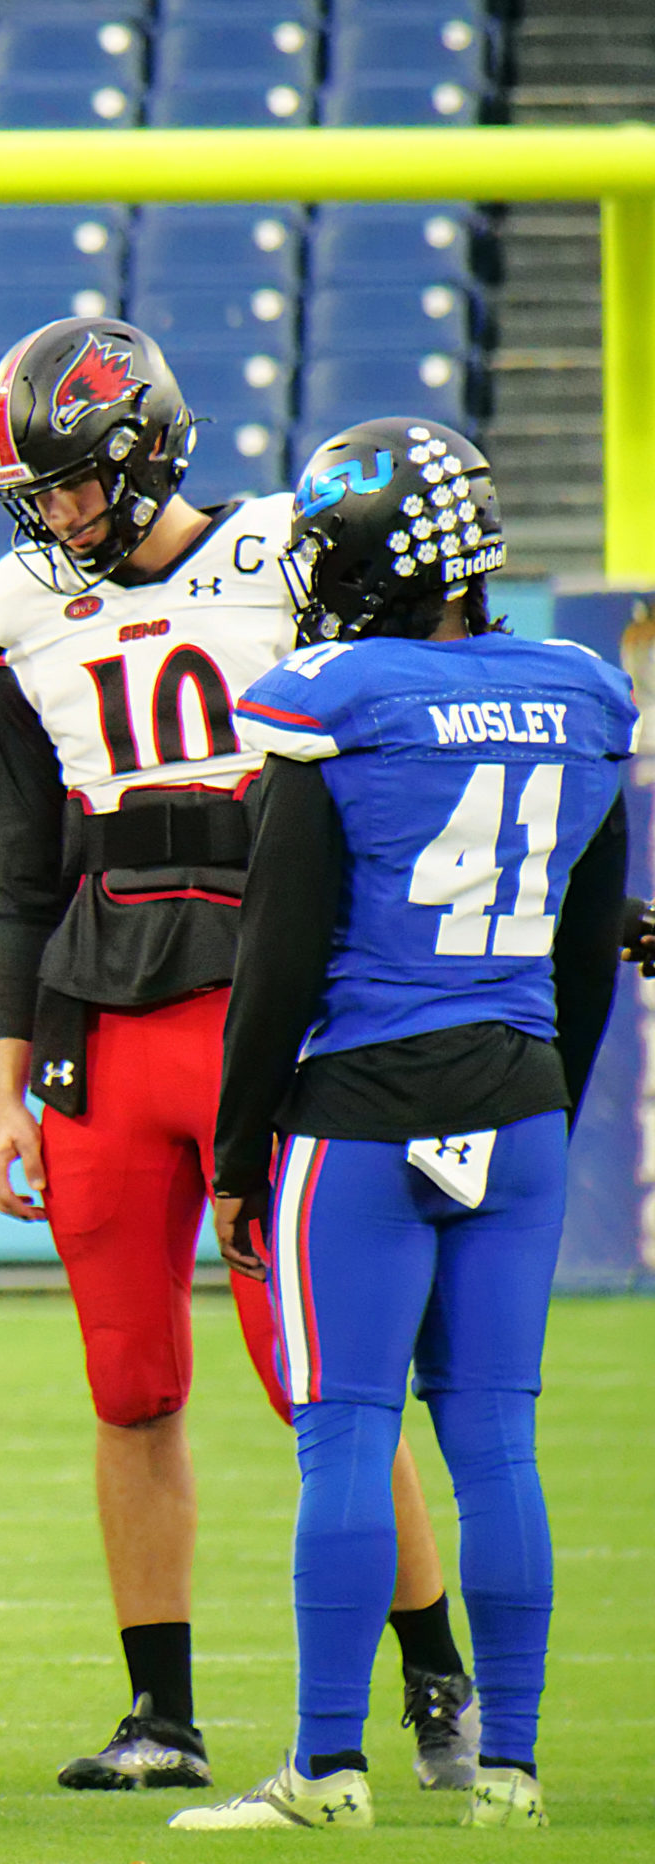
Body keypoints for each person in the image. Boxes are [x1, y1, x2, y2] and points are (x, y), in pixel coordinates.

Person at [0, 319, 476, 1791]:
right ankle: (160, 1715)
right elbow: (24, 871)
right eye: (38, 493)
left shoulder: (284, 559)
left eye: (74, 483)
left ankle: (434, 1677)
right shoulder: (19, 609)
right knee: (129, 1382)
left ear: (146, 452)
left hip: (277, 1024)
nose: (59, 516)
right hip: (102, 1029)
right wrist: (6, 1075)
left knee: (319, 1379)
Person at [169, 419, 630, 1832]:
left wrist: (238, 1154)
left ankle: (326, 1769)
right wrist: (544, 1101)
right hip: (520, 1097)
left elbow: (276, 958)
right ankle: (511, 1772)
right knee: (494, 1442)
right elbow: (588, 953)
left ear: (375, 560)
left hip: (362, 1114)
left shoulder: (339, 697)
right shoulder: (579, 690)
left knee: (349, 1432)